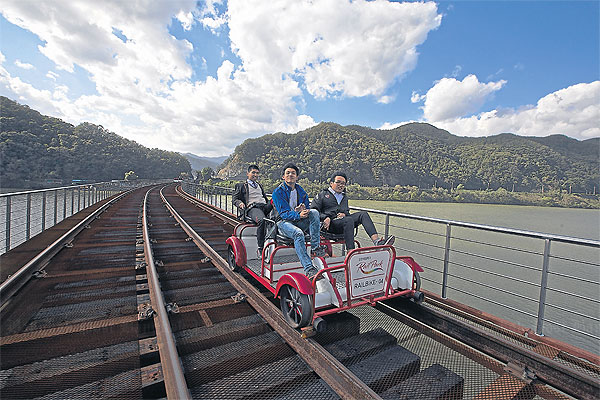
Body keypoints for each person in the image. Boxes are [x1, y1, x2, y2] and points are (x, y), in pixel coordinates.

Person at [271, 162, 327, 279]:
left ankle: (315, 248)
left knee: (314, 212)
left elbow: (307, 207)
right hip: (283, 223)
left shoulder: (301, 191)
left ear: (297, 177)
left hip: (297, 220)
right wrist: (298, 214)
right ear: (283, 176)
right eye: (288, 173)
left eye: (293, 173)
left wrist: (304, 210)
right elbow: (283, 214)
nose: (290, 175)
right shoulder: (277, 192)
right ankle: (309, 268)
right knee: (298, 233)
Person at [311, 171, 394, 250]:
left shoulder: (344, 197)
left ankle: (377, 242)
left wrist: (344, 214)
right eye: (338, 182)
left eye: (343, 183)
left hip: (343, 223)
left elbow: (346, 212)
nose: (341, 185)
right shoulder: (322, 195)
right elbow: (313, 211)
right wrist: (325, 217)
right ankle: (350, 251)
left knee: (363, 214)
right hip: (329, 226)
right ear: (331, 183)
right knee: (348, 220)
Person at [233, 164, 273, 257]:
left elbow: (265, 198)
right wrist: (240, 203)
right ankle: (260, 248)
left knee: (276, 198)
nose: (255, 175)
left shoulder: (259, 185)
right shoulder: (241, 185)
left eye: (257, 173)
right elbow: (235, 199)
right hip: (253, 208)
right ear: (248, 173)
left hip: (264, 206)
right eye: (253, 172)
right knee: (262, 220)